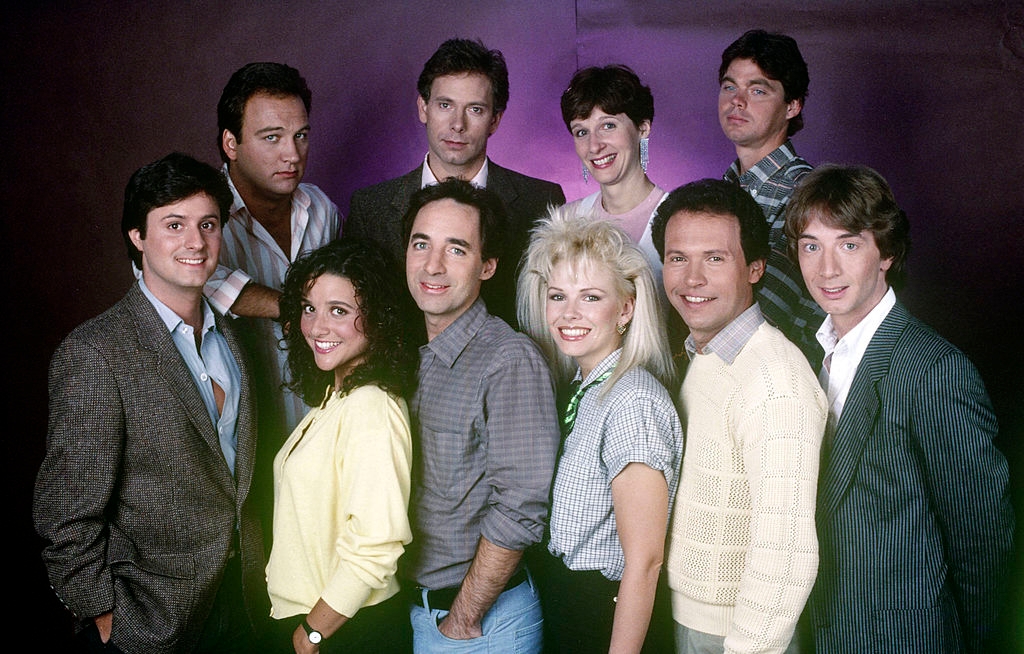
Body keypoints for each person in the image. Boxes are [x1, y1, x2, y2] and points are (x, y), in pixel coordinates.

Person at [34, 152, 269, 653]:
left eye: (208, 224)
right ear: (137, 238)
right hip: (151, 620)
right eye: (174, 224)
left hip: (245, 603)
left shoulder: (233, 337)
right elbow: (65, 516)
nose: (195, 242)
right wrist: (107, 618)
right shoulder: (96, 353)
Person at [785, 164, 1015, 653]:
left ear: (886, 252)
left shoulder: (934, 370)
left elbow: (983, 539)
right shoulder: (808, 355)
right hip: (820, 632)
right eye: (811, 246)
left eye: (849, 244)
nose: (826, 269)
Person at [650, 178, 827, 653]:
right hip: (691, 619)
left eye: (714, 258)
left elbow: (786, 555)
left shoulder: (774, 384)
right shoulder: (704, 356)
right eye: (677, 258)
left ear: (755, 267)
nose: (692, 280)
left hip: (738, 635)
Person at [400, 178, 560, 652]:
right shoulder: (412, 356)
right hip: (425, 613)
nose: (432, 265)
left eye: (457, 249)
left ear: (487, 266)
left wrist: (463, 618)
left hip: (478, 624)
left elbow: (521, 505)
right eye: (421, 243)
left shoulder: (509, 359)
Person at [516, 209, 682, 653]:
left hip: (605, 616)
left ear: (625, 308)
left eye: (590, 297)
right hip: (566, 602)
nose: (568, 313)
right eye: (557, 296)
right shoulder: (584, 388)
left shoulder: (633, 402)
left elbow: (644, 563)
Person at [265, 238, 419, 653]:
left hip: (344, 628)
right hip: (321, 619)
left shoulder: (371, 406)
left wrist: (313, 631)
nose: (317, 327)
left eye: (339, 311)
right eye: (309, 308)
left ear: (378, 319)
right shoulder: (337, 398)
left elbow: (377, 543)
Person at [344, 37, 565, 327]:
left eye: (475, 109)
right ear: (423, 108)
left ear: (495, 120)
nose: (457, 124)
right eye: (445, 105)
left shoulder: (540, 202)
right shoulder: (370, 208)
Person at [212, 61, 342, 549]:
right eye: (271, 137)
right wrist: (300, 308)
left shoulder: (321, 209)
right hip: (241, 446)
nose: (292, 154)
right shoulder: (202, 222)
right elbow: (207, 282)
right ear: (231, 144)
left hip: (323, 436)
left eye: (302, 135)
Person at [718, 29, 824, 363]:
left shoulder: (805, 193)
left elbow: (766, 316)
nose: (738, 100)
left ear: (792, 106)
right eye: (729, 86)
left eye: (758, 89)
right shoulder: (725, 188)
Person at [560, 64, 667, 295]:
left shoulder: (678, 218)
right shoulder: (564, 221)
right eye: (581, 132)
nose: (594, 145)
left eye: (608, 125)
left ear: (643, 128)